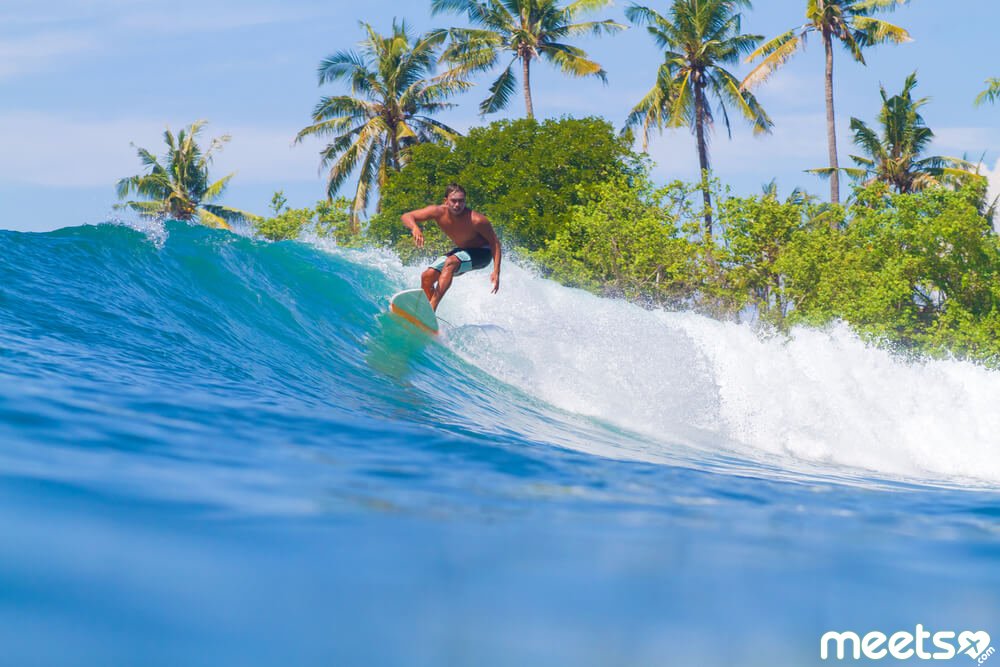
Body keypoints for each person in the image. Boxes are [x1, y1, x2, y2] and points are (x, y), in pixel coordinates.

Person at [400, 184, 501, 311]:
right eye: (454, 201)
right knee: (427, 276)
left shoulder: (477, 220)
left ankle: (432, 307)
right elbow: (407, 216)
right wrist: (414, 227)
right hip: (463, 252)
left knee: (451, 262)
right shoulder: (438, 212)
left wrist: (496, 272)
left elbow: (495, 243)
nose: (457, 205)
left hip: (482, 254)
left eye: (461, 201)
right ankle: (427, 314)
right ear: (446, 201)